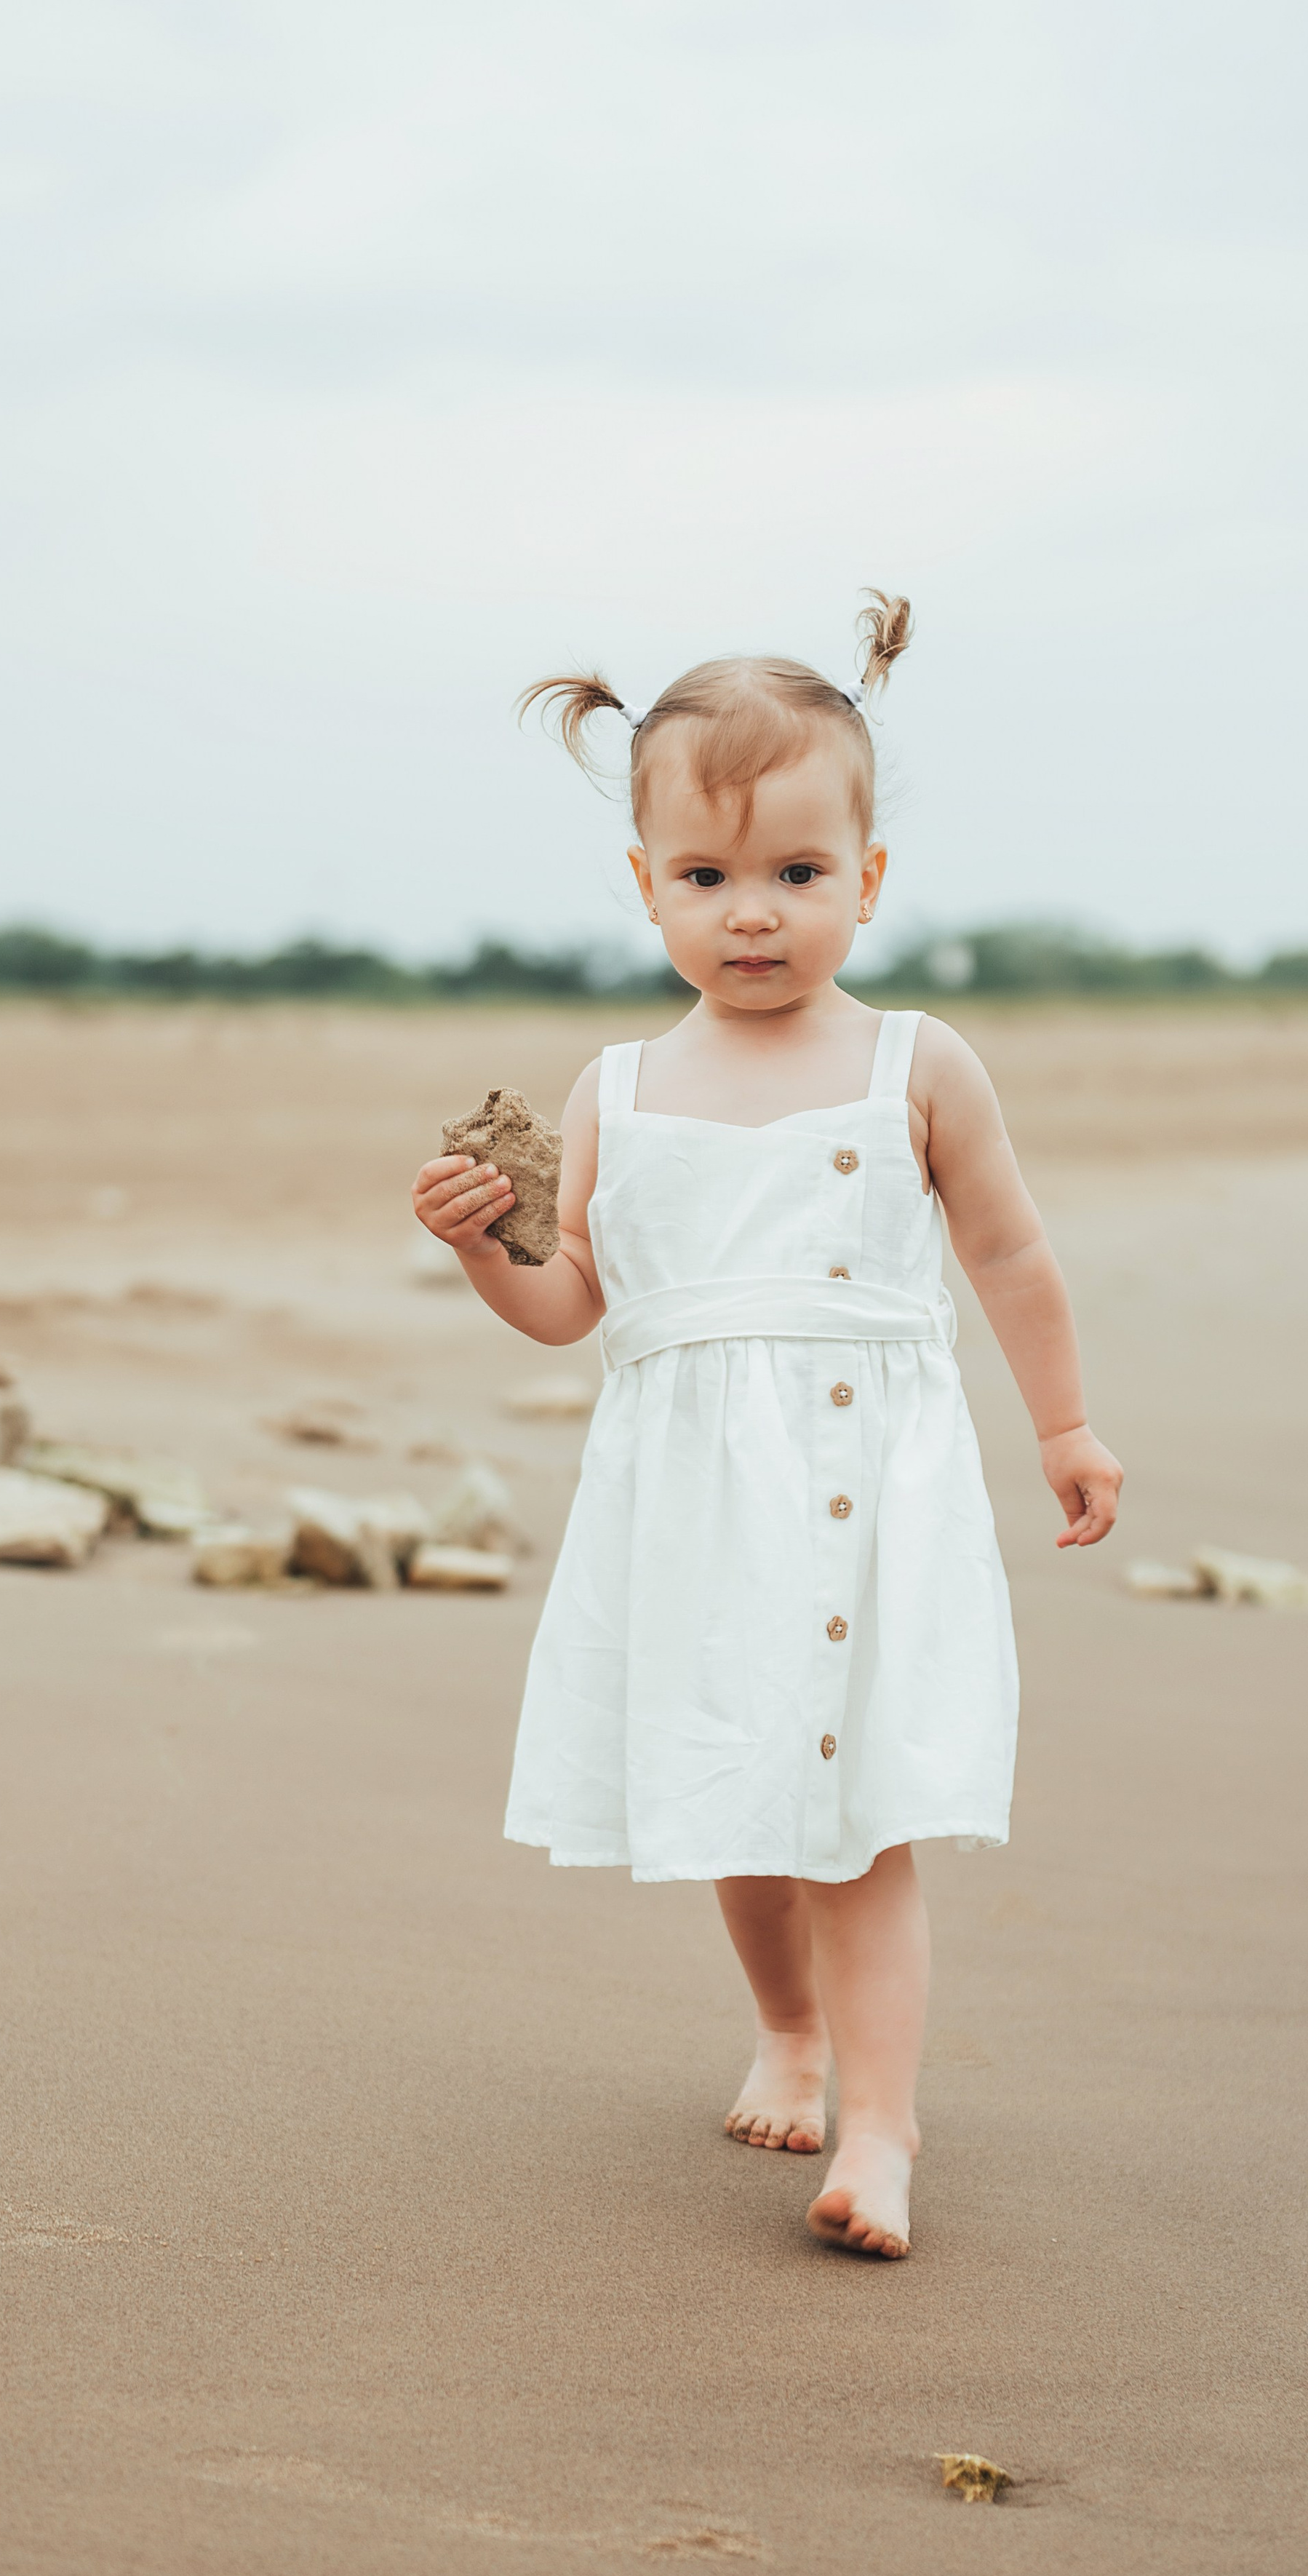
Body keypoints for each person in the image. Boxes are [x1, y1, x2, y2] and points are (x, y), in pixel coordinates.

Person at [412, 594, 1122, 2258]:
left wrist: (1064, 1425)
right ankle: (787, 2029)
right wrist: (481, 1251)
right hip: (692, 1508)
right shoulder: (616, 1089)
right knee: (736, 1793)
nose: (752, 912)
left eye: (797, 873)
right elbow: (575, 1301)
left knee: (856, 1815)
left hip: (868, 1496)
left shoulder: (915, 1067)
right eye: (707, 876)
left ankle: (880, 2124)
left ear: (866, 880)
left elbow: (1007, 1253)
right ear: (645, 885)